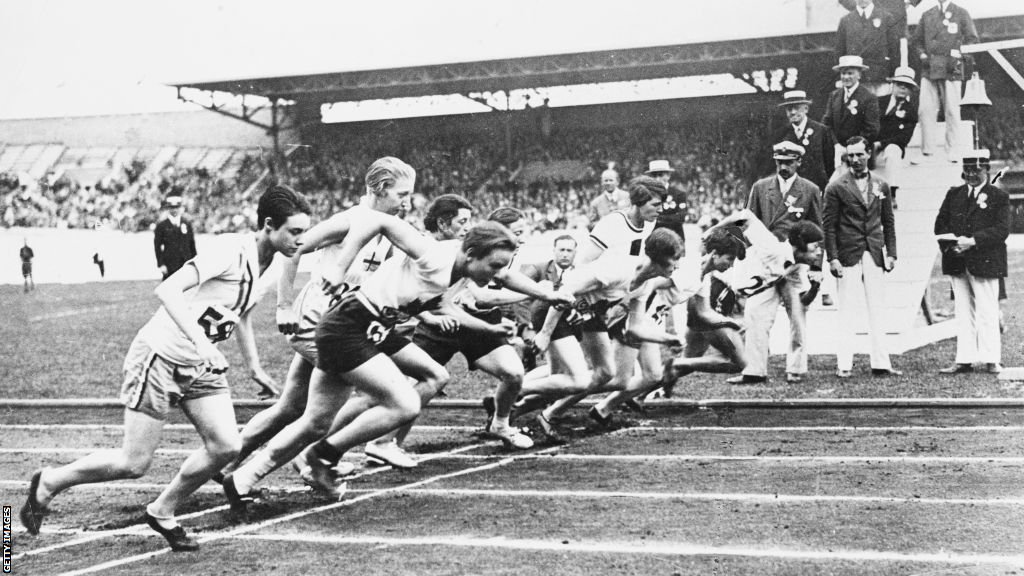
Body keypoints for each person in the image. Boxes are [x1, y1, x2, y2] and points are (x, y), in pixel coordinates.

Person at [20, 184, 312, 551]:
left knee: (225, 446)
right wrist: (205, 346)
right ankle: (49, 481)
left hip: (199, 363)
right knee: (133, 462)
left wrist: (253, 365)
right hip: (160, 354)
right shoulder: (230, 250)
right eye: (295, 231)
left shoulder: (272, 265)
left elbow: (241, 312)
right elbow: (169, 290)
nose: (302, 240)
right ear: (269, 225)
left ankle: (162, 510)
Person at [223, 217, 568, 505]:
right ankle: (324, 456)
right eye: (492, 265)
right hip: (350, 326)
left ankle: (241, 480)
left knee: (427, 378)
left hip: (373, 327)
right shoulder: (433, 254)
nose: (496, 274)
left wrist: (549, 293)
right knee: (402, 403)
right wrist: (340, 267)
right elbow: (378, 221)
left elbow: (504, 278)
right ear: (472, 253)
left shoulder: (463, 266)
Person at [227, 157, 427, 483]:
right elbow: (294, 248)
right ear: (379, 189)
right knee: (368, 395)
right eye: (402, 194)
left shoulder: (385, 229)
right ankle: (306, 459)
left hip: (338, 325)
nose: (408, 202)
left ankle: (227, 461)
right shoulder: (349, 220)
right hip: (313, 323)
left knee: (291, 408)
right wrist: (284, 305)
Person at [529, 228, 685, 440]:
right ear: (660, 257)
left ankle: (518, 403)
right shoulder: (620, 268)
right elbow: (565, 291)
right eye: (674, 259)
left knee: (604, 373)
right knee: (575, 379)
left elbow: (634, 329)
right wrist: (545, 334)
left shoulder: (645, 285)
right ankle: (515, 393)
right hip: (555, 308)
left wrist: (668, 339)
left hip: (585, 315)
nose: (677, 266)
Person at [728, 141, 822, 385]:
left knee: (798, 317)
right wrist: (748, 258)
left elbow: (817, 230)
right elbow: (747, 223)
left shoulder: (810, 190)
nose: (783, 167)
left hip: (795, 263)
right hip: (767, 262)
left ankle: (796, 368)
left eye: (789, 162)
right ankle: (754, 370)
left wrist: (816, 267)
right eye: (780, 162)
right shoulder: (761, 187)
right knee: (755, 313)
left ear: (799, 162)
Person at [823, 136, 900, 378]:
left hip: (874, 253)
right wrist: (832, 258)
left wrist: (892, 253)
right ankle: (844, 364)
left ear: (869, 154)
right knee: (847, 309)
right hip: (848, 253)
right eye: (851, 155)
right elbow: (829, 226)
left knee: (877, 308)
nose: (855, 160)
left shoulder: (881, 184)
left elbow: (888, 221)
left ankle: (881, 363)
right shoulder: (836, 186)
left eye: (859, 154)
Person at [934, 149, 1009, 375]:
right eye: (967, 170)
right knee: (963, 310)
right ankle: (964, 359)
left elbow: (1002, 230)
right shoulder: (954, 194)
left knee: (987, 310)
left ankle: (991, 358)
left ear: (986, 170)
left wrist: (974, 241)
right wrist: (952, 246)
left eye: (976, 170)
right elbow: (940, 225)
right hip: (958, 261)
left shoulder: (998, 196)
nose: (972, 175)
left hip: (985, 261)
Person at [659, 225, 750, 384]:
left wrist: (732, 322)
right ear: (714, 254)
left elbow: (704, 311)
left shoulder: (705, 276)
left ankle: (642, 395)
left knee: (683, 363)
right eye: (729, 259)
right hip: (644, 312)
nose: (731, 265)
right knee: (739, 362)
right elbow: (653, 284)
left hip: (657, 313)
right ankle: (614, 401)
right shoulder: (691, 268)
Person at [911, 0, 978, 163]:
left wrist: (959, 56)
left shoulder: (961, 12)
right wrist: (922, 55)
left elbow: (972, 39)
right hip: (930, 68)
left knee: (952, 110)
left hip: (952, 68)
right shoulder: (927, 15)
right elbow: (917, 41)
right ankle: (926, 151)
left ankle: (952, 149)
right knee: (925, 110)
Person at [823, 55, 880, 181]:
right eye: (843, 73)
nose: (846, 77)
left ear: (859, 75)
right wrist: (836, 145)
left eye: (850, 73)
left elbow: (872, 129)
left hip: (858, 155)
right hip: (837, 153)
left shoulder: (868, 98)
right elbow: (827, 123)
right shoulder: (834, 96)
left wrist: (850, 149)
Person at [874, 66, 919, 209]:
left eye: (907, 86)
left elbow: (903, 138)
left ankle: (890, 194)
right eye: (900, 85)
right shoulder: (878, 102)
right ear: (892, 85)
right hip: (871, 144)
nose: (903, 89)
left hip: (890, 145)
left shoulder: (910, 110)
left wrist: (880, 144)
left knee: (893, 151)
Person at [774, 90, 836, 192]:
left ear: (806, 109)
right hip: (791, 189)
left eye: (797, 108)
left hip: (817, 187)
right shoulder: (781, 134)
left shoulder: (822, 131)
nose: (793, 112)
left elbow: (829, 164)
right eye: (789, 109)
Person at [836, 0, 901, 95]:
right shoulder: (846, 21)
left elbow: (894, 50)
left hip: (880, 78)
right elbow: (839, 51)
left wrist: (892, 75)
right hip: (855, 79)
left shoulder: (886, 18)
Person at [154, 193, 198, 279]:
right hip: (170, 264)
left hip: (186, 263)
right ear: (168, 208)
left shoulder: (186, 224)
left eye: (177, 207)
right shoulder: (162, 226)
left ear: (180, 208)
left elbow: (192, 245)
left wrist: (195, 263)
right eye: (172, 207)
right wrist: (161, 264)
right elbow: (157, 247)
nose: (174, 210)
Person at [646, 159, 686, 242]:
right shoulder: (646, 195)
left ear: (668, 175)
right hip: (653, 240)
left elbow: (681, 217)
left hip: (675, 238)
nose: (657, 179)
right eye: (654, 175)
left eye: (660, 175)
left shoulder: (679, 194)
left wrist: (658, 219)